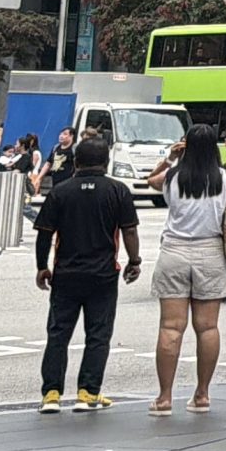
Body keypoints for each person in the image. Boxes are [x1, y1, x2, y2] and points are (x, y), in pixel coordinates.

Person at [142, 123, 226, 414]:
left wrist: (169, 157)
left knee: (170, 327)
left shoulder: (173, 176)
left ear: (185, 145)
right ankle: (202, 394)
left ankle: (164, 397)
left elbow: (151, 180)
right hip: (210, 253)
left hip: (174, 252)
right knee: (208, 327)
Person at [33, 137, 141, 413]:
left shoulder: (60, 192)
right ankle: (88, 392)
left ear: (76, 161)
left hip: (66, 274)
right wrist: (134, 261)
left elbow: (44, 233)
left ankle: (52, 394)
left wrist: (41, 266)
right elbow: (129, 230)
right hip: (103, 274)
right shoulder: (118, 190)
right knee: (98, 334)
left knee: (58, 334)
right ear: (106, 162)